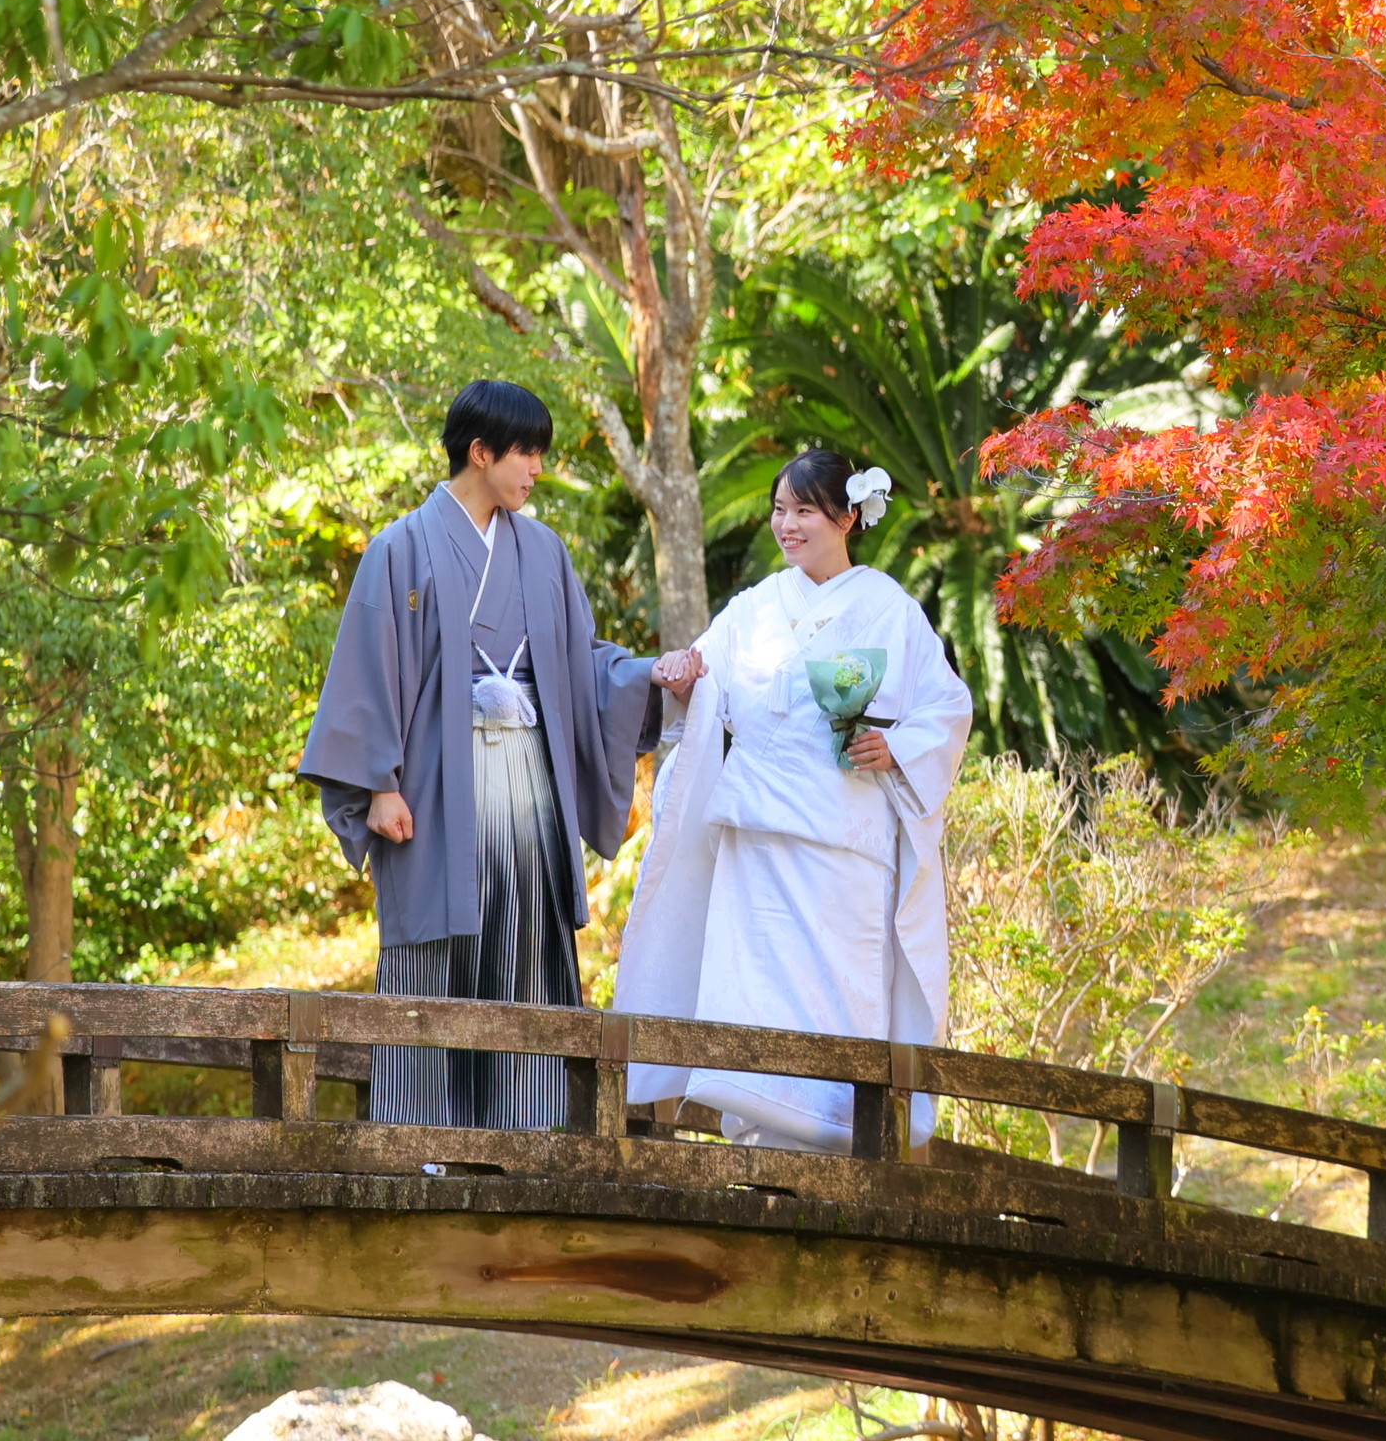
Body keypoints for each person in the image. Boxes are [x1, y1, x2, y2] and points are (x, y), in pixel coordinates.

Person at [298, 379, 703, 1128]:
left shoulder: (542, 551)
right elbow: (367, 669)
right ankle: (419, 1136)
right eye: (525, 453)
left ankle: (530, 1132)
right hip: (437, 781)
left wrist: (650, 675)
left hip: (528, 781)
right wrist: (378, 783)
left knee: (525, 940)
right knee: (435, 949)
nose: (536, 469)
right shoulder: (401, 549)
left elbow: (581, 663)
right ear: (479, 453)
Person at [619, 449, 971, 1151]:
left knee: (836, 994)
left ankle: (840, 1140)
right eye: (780, 509)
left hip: (842, 842)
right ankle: (753, 1135)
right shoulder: (754, 608)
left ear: (847, 516)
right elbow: (703, 685)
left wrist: (896, 747)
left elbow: (947, 708)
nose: (787, 524)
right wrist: (683, 678)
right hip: (755, 835)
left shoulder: (888, 610)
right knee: (751, 989)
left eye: (804, 510)